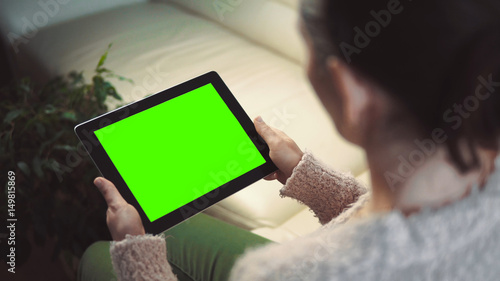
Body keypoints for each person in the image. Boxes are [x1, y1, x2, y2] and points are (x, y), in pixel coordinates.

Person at [92, 0, 500, 280]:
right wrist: (309, 177)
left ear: (351, 91)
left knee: (102, 258)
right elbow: (400, 230)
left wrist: (137, 256)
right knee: (176, 230)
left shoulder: (276, 273)